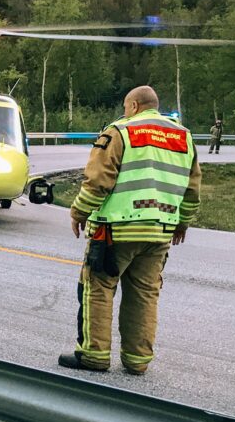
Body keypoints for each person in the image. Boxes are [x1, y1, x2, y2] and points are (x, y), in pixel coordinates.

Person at [61, 86, 201, 375]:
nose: (125, 112)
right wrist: (182, 223)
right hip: (160, 231)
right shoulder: (182, 136)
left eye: (126, 107)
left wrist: (78, 212)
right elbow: (192, 189)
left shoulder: (119, 131)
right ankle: (137, 361)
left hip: (116, 229)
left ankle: (94, 354)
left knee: (98, 287)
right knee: (144, 294)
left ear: (134, 105)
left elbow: (99, 180)